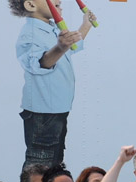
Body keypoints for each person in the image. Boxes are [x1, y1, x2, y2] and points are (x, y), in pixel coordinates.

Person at [9, 0, 96, 171]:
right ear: (31, 5)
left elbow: (71, 48)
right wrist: (60, 47)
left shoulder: (51, 27)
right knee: (40, 164)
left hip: (57, 109)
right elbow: (39, 63)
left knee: (54, 161)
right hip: (43, 113)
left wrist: (86, 25)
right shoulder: (31, 33)